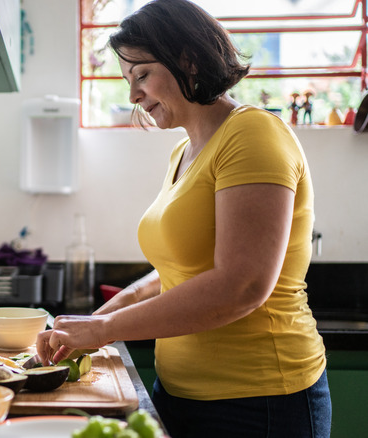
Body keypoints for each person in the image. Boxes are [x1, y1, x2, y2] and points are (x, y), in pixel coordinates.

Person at [35, 1, 331, 437]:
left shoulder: (252, 134)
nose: (133, 94)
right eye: (127, 80)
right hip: (179, 394)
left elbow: (242, 285)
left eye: (140, 75)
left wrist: (105, 327)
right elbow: (172, 273)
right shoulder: (185, 152)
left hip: (260, 403)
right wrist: (95, 325)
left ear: (188, 59)